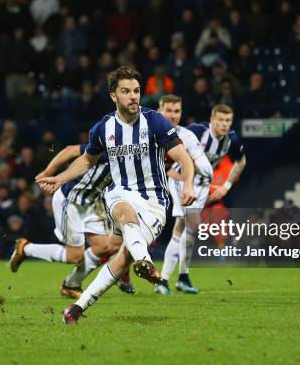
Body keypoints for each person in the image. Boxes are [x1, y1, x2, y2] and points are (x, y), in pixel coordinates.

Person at [36, 66, 196, 324]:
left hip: (155, 202)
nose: (133, 96)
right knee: (122, 208)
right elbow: (86, 161)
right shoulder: (104, 127)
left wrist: (188, 185)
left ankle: (77, 308)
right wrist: (59, 177)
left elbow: (183, 158)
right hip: (120, 194)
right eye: (126, 91)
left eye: (136, 91)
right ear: (114, 96)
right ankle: (145, 260)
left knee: (122, 259)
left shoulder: (154, 121)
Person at [8, 142, 134, 297]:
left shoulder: (137, 157)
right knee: (74, 256)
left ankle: (71, 285)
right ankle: (26, 248)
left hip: (92, 203)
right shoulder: (112, 147)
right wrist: (48, 172)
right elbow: (71, 150)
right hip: (71, 200)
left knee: (104, 247)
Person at [167, 104, 246, 292]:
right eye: (220, 120)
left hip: (200, 186)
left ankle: (176, 279)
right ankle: (170, 279)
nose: (224, 124)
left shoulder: (231, 140)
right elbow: (170, 146)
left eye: (228, 121)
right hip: (181, 181)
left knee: (186, 228)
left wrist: (226, 186)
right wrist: (168, 168)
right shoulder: (196, 131)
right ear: (212, 119)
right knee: (185, 225)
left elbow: (241, 161)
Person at [154, 95, 213, 295]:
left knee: (186, 227)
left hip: (180, 183)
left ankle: (170, 279)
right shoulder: (145, 132)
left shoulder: (186, 136)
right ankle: (176, 278)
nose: (172, 115)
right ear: (159, 110)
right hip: (144, 188)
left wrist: (203, 168)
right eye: (168, 110)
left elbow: (202, 162)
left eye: (177, 111)